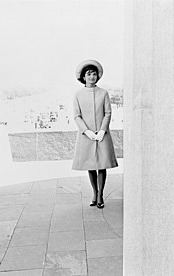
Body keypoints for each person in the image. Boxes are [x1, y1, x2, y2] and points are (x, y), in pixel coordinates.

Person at [72, 60, 118, 209]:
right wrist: (87, 131)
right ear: (83, 77)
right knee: (90, 165)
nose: (92, 77)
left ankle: (100, 195)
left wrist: (102, 130)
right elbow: (77, 116)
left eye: (94, 74)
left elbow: (108, 113)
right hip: (87, 135)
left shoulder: (103, 93)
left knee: (102, 165)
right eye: (88, 74)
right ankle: (94, 192)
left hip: (102, 134)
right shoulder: (78, 95)